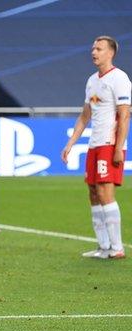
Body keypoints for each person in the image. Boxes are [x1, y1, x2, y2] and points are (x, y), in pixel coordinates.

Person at [62, 36, 130, 259]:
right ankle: (103, 247)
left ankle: (117, 247)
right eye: (93, 48)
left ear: (110, 53)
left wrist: (119, 147)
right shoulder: (92, 80)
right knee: (92, 192)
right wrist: (71, 142)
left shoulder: (119, 78)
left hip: (109, 144)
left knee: (104, 191)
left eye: (99, 49)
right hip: (94, 145)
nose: (93, 52)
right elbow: (85, 116)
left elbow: (124, 114)